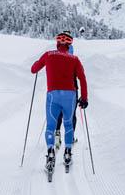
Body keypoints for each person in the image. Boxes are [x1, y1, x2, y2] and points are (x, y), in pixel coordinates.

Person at [31, 32, 89, 172]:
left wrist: (35, 64)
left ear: (58, 43)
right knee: (68, 123)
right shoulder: (75, 59)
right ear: (69, 45)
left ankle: (50, 152)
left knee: (51, 126)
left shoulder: (48, 55)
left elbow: (34, 70)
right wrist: (84, 98)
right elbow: (82, 78)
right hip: (70, 95)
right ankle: (68, 153)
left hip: (53, 95)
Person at [55, 31, 77, 148]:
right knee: (71, 113)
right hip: (71, 84)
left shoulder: (58, 48)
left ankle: (57, 132)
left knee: (58, 111)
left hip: (57, 84)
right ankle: (71, 136)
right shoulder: (71, 49)